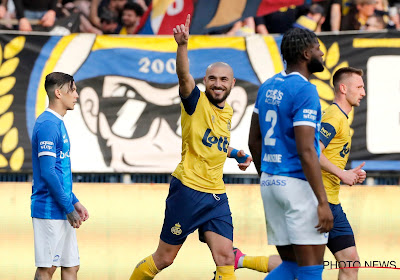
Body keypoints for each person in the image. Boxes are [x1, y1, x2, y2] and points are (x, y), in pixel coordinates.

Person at [129, 14, 252, 280]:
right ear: (205, 81)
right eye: (212, 79)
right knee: (164, 259)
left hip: (216, 195)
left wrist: (236, 153)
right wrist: (182, 46)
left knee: (226, 260)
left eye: (223, 80)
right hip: (188, 191)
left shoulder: (228, 110)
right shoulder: (195, 101)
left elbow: (215, 144)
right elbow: (183, 76)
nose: (217, 83)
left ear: (232, 84)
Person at [248, 27, 333, 280]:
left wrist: (268, 176)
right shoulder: (305, 90)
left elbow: (254, 140)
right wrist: (322, 201)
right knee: (311, 269)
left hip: (270, 183)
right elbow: (307, 149)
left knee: (291, 265)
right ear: (306, 54)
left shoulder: (267, 86)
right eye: (318, 48)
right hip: (296, 185)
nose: (321, 53)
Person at [31, 72, 89, 280]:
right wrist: (68, 207)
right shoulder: (47, 124)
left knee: (71, 266)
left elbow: (59, 171)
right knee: (47, 269)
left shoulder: (57, 123)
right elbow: (47, 172)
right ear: (58, 93)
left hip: (62, 206)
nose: (76, 95)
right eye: (72, 90)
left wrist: (75, 201)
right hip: (49, 208)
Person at [319, 67, 367, 280]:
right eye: (359, 87)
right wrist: (341, 174)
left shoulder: (340, 117)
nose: (363, 92)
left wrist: (348, 173)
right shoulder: (333, 116)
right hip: (316, 202)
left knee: (351, 263)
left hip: (332, 202)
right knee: (307, 267)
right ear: (343, 88)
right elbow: (312, 152)